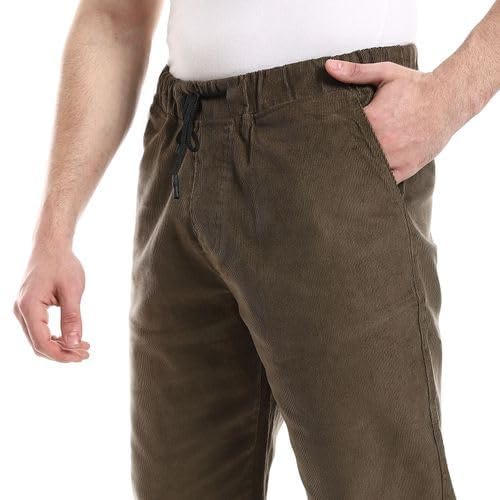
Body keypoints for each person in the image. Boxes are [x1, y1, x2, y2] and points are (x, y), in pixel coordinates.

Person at [13, 0, 499, 498]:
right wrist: (55, 231)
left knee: (379, 485)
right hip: (182, 147)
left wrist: (448, 98)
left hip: (333, 130)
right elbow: (115, 17)